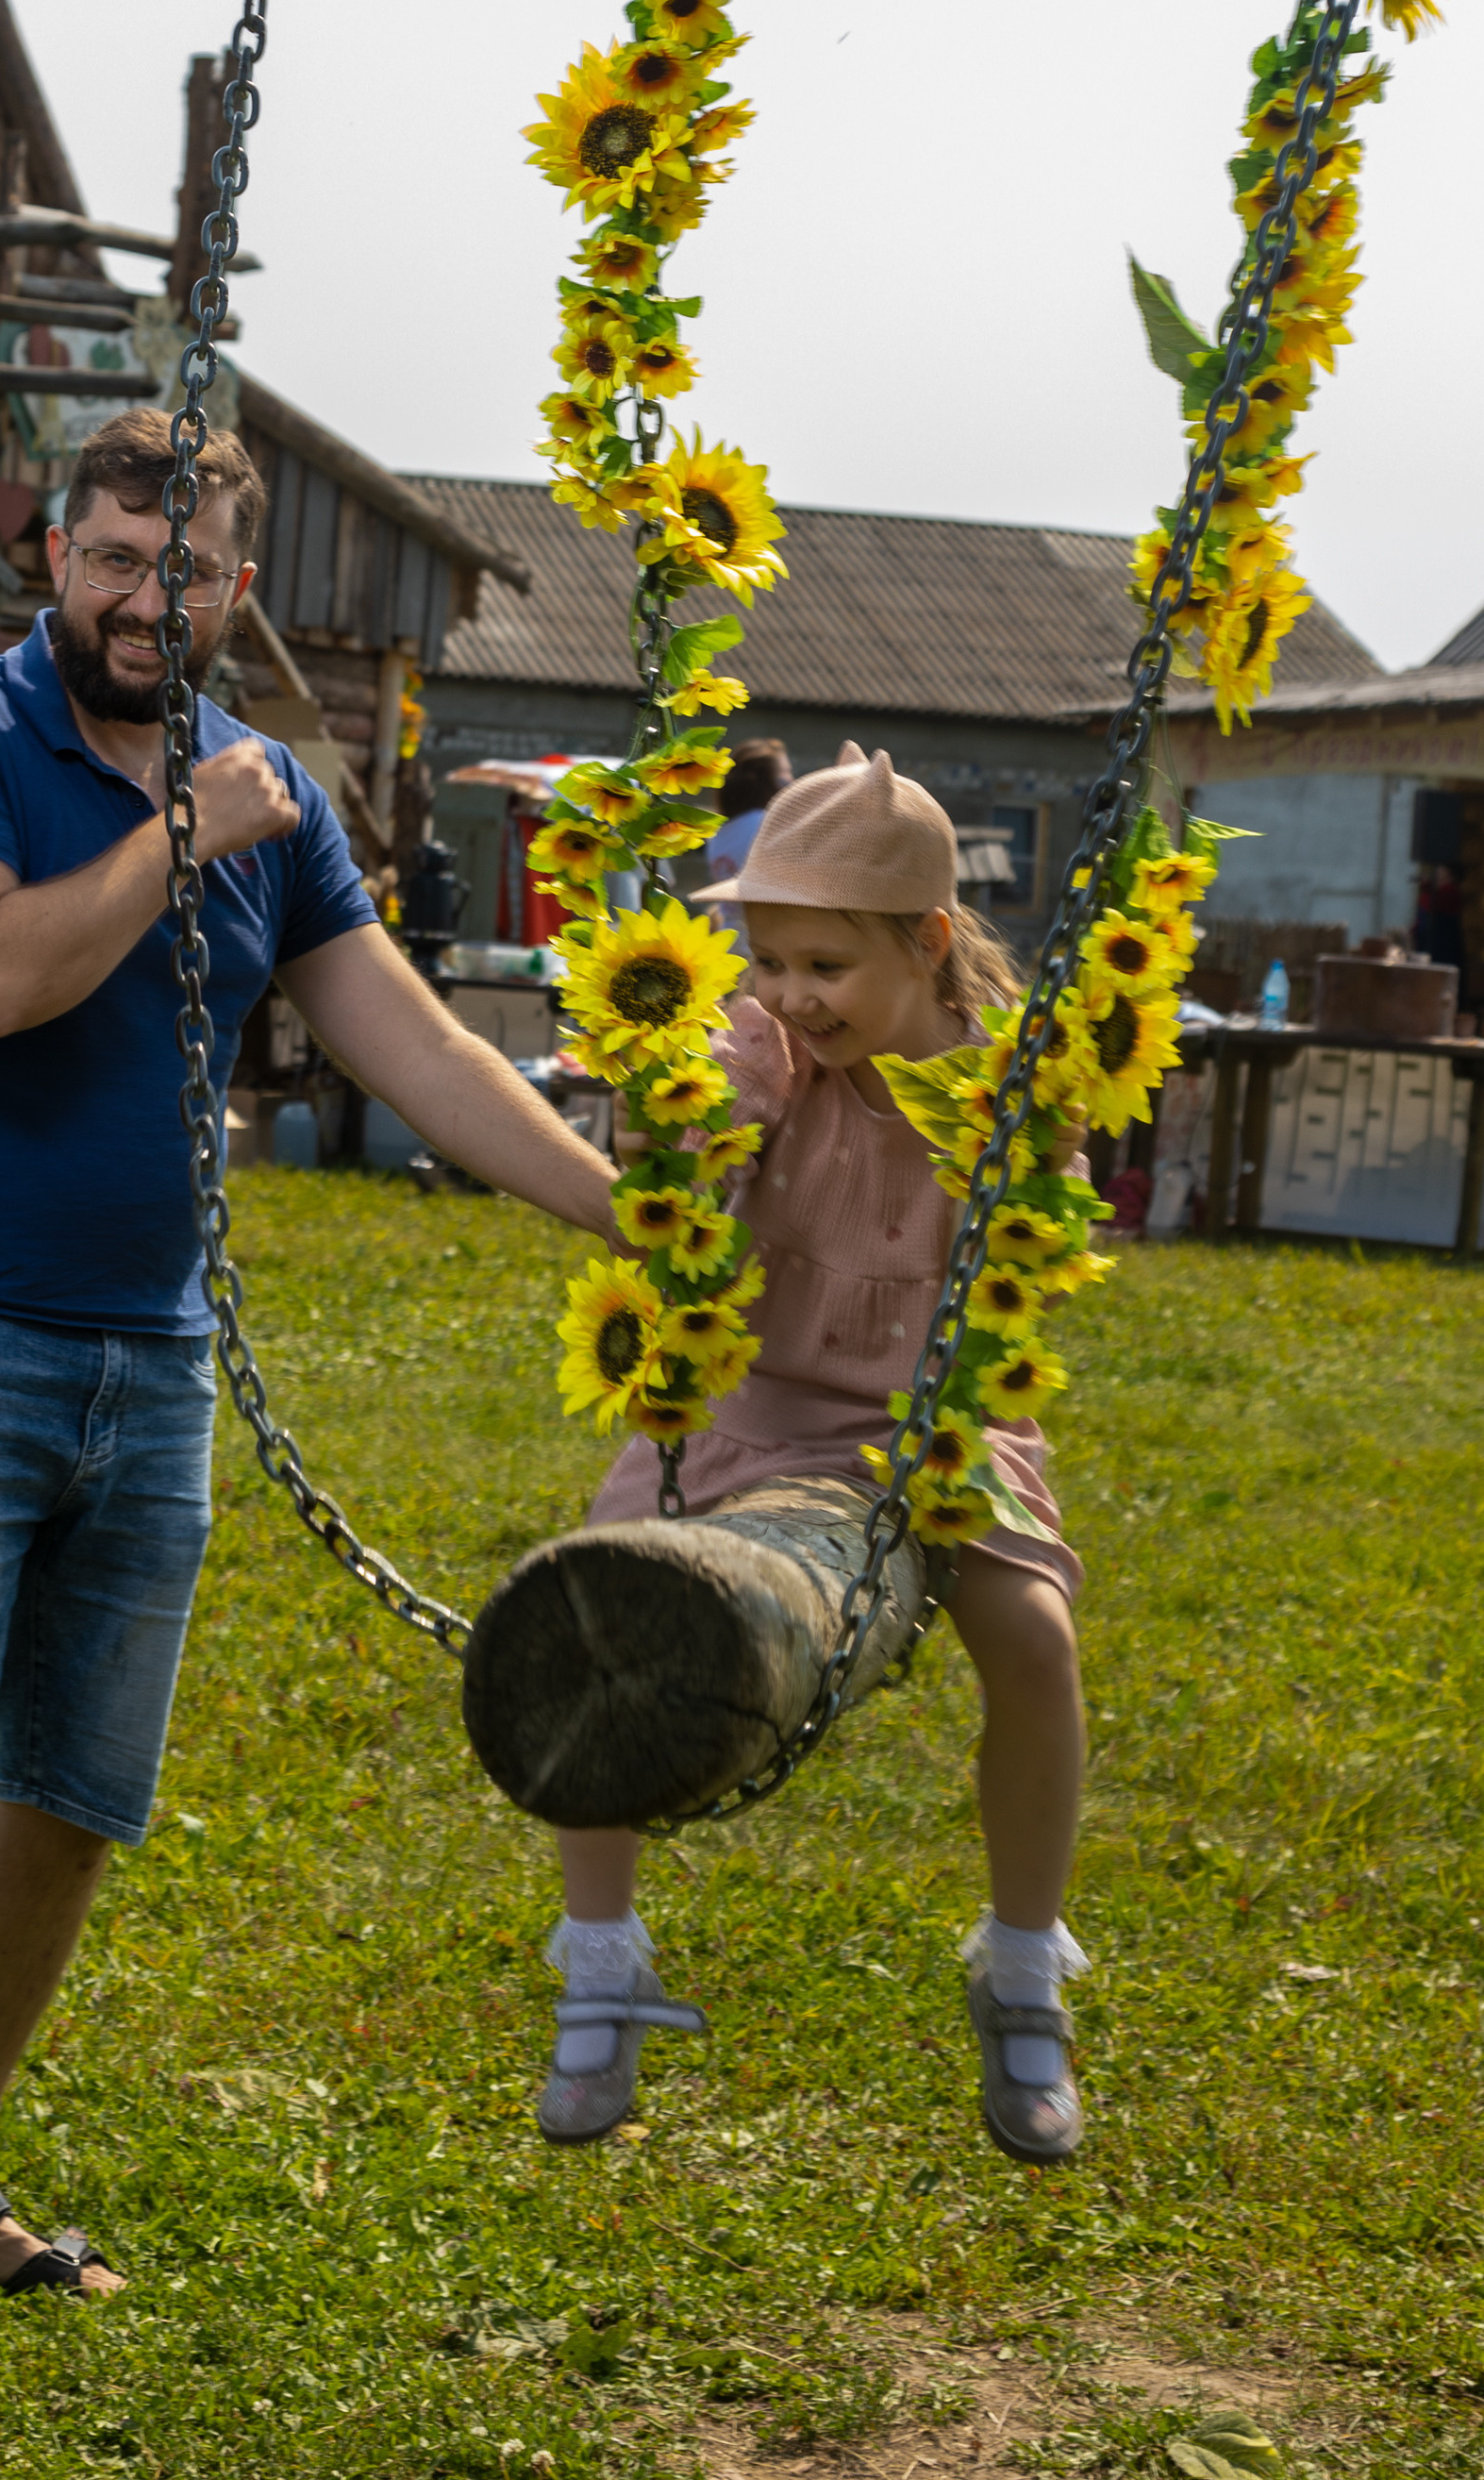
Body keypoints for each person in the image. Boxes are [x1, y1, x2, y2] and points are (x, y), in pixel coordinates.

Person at [0, 409, 624, 2409]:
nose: (139, 603)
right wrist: (181, 835)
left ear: (232, 591)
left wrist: (624, 1213)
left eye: (181, 575)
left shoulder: (271, 794)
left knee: (74, 1803)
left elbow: (406, 1042)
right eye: (107, 563)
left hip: (147, 1364)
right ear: (52, 561)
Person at [536, 746, 1088, 2166]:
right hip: (747, 1400)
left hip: (936, 1416)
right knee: (596, 1613)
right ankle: (602, 1971)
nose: (788, 993)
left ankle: (1021, 1969)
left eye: (824, 965)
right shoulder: (764, 1046)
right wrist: (690, 1107)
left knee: (1033, 1643)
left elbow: (1045, 1245)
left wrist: (1033, 1145)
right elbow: (702, 1124)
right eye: (767, 957)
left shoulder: (1006, 1088)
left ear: (931, 946)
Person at [696, 737, 792, 963]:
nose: (791, 781)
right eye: (786, 773)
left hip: (729, 943)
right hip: (766, 947)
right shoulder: (768, 824)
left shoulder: (721, 833)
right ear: (771, 782)